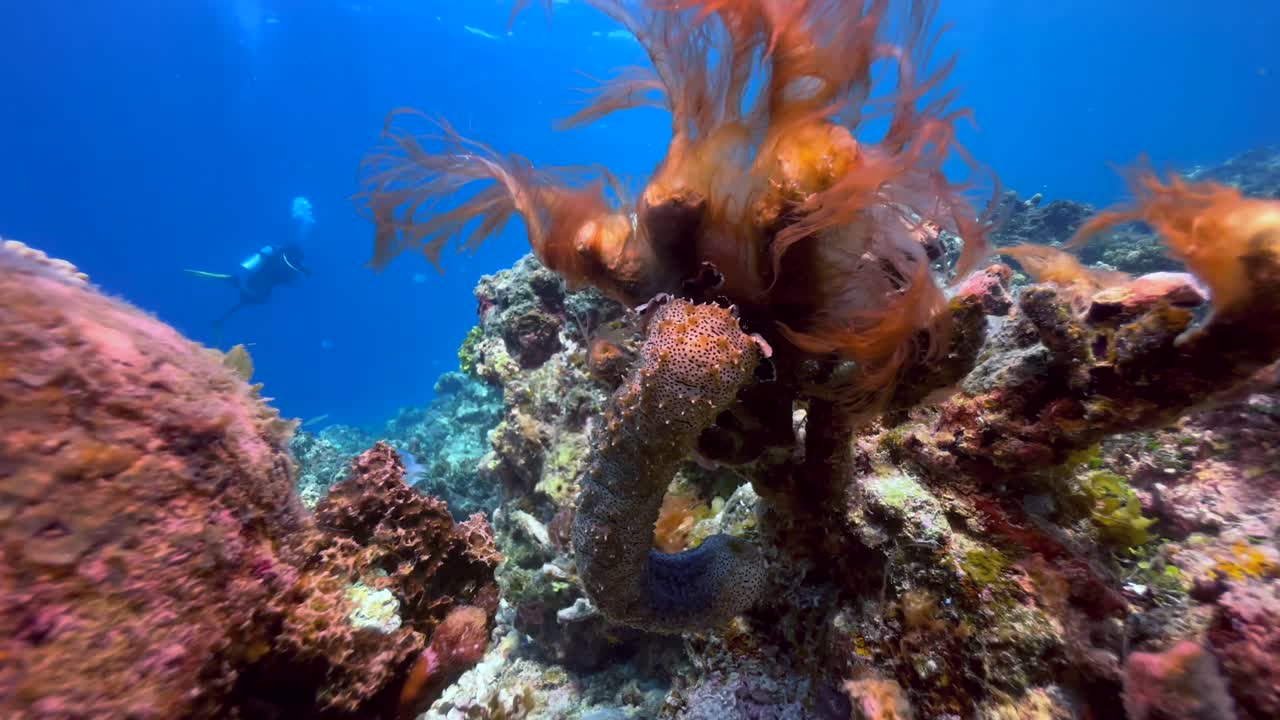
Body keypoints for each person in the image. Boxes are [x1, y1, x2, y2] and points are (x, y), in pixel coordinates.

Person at [185, 197, 315, 327]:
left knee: (246, 300)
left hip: (260, 290)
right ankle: (231, 285)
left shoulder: (292, 263)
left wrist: (305, 271)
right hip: (255, 284)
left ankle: (222, 313)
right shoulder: (275, 253)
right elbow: (253, 264)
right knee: (246, 298)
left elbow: (297, 272)